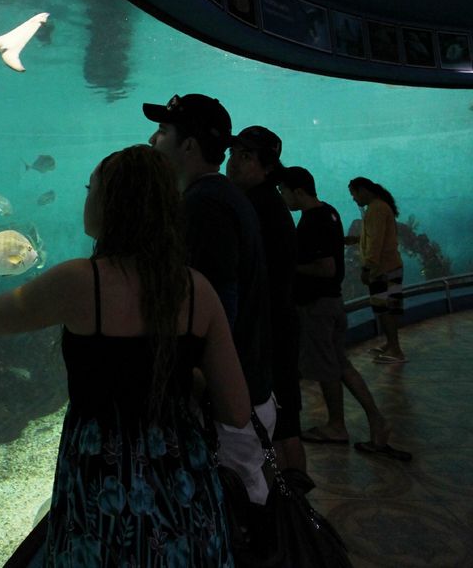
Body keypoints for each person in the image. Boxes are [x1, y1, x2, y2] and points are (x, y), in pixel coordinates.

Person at [0, 145, 250, 566]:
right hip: (182, 477)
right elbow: (236, 410)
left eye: (91, 188)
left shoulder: (78, 282)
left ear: (111, 203)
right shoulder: (197, 289)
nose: (86, 197)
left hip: (99, 476)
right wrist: (183, 378)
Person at [143, 93, 275, 504]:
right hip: (241, 396)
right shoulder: (218, 197)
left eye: (164, 131)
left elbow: (218, 313)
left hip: (229, 408)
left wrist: (196, 383)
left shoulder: (204, 206)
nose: (153, 139)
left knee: (234, 525)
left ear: (188, 146)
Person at [279, 167, 409, 460]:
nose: (282, 198)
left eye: (283, 192)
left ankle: (336, 426)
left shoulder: (312, 221)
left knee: (327, 368)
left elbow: (326, 268)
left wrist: (288, 266)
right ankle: (377, 419)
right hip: (333, 303)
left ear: (298, 191)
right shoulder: (330, 212)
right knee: (341, 365)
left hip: (318, 307)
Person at [225, 126, 304, 475]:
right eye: (234, 154)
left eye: (246, 156)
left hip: (270, 334)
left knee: (278, 426)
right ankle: (293, 505)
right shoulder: (267, 203)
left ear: (267, 166)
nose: (234, 162)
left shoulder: (255, 207)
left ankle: (288, 509)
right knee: (284, 425)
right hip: (279, 329)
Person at [346, 176, 406, 363]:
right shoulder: (381, 206)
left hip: (382, 270)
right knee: (391, 307)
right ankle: (391, 344)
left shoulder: (375, 210)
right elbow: (377, 237)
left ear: (363, 190)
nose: (354, 199)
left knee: (383, 308)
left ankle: (395, 350)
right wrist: (356, 240)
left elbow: (375, 242)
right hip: (392, 266)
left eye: (354, 194)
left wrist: (367, 267)